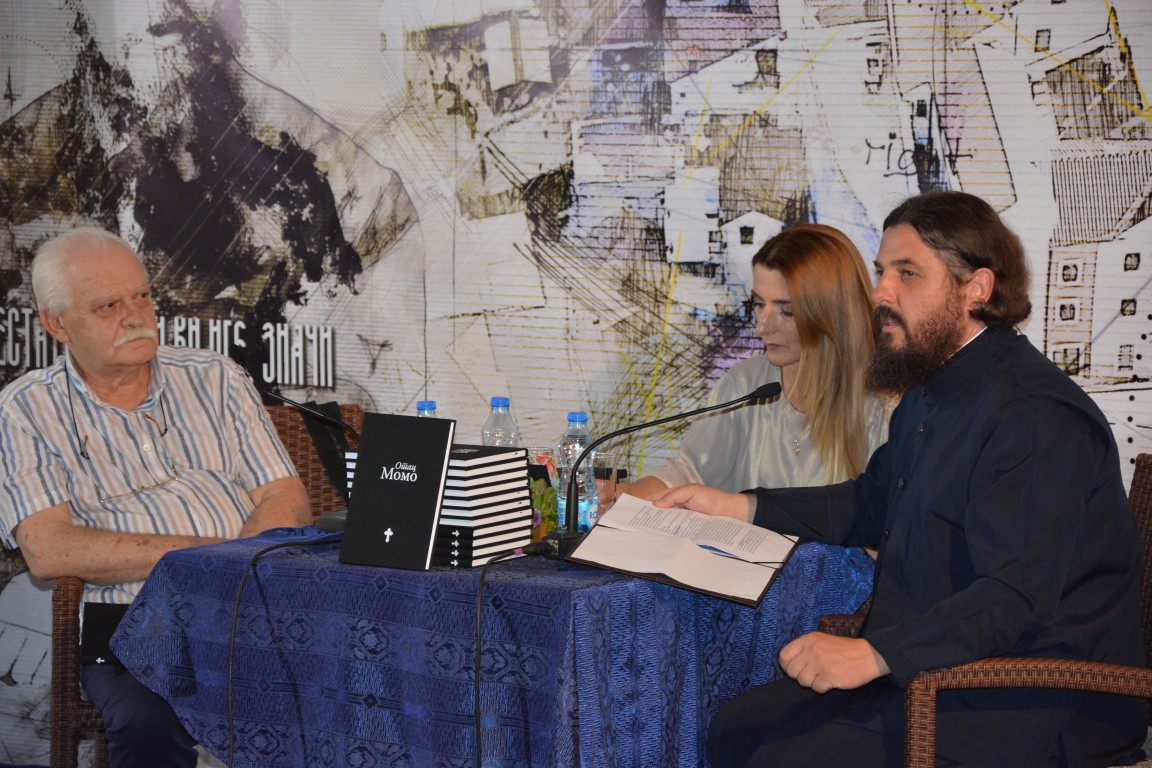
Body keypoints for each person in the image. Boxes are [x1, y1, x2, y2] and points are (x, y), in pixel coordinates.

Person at [653, 191, 1146, 767]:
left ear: (976, 288)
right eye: (882, 271)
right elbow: (870, 503)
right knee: (736, 729)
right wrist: (741, 506)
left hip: (1035, 697)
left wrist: (873, 655)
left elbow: (1012, 598)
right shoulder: (933, 393)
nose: (881, 293)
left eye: (907, 274)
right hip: (943, 671)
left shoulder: (1033, 415)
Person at [0, 227, 312, 768]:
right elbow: (48, 549)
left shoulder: (216, 377)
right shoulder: (25, 409)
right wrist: (206, 558)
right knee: (147, 721)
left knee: (350, 689)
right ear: (56, 324)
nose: (134, 316)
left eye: (142, 296)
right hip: (132, 625)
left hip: (248, 608)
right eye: (107, 305)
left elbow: (286, 496)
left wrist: (230, 574)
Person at [619, 223, 890, 499]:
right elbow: (689, 472)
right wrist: (626, 494)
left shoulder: (882, 406)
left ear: (833, 313)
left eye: (786, 311)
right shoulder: (745, 385)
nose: (762, 328)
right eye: (759, 304)